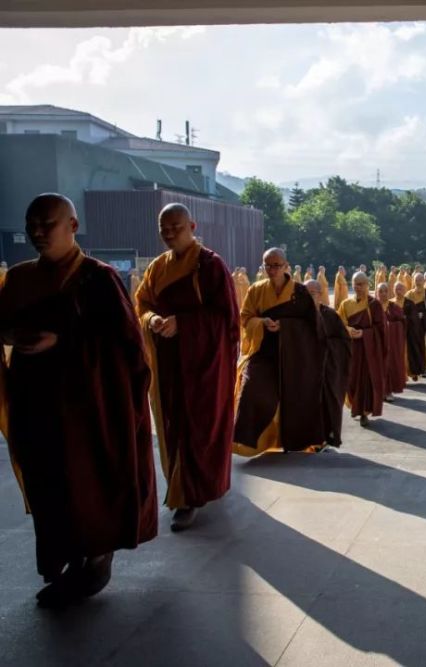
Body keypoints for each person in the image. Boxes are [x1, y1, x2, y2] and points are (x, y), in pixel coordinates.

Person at [0, 194, 157, 606]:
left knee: (85, 480)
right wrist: (13, 336)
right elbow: (3, 326)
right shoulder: (18, 279)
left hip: (89, 405)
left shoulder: (97, 278)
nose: (37, 232)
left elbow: (125, 343)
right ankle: (63, 555)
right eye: (32, 224)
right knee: (46, 479)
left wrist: (64, 338)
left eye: (47, 224)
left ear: (72, 226)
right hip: (34, 398)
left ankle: (95, 559)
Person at [135, 203, 240, 531]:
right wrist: (151, 318)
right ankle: (183, 490)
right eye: (163, 228)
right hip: (169, 362)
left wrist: (184, 324)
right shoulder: (157, 267)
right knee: (172, 423)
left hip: (205, 365)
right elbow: (143, 302)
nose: (169, 234)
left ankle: (193, 495)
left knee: (201, 427)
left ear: (192, 226)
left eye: (175, 227)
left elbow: (226, 318)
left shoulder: (209, 265)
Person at [233, 248, 327, 456]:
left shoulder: (299, 293)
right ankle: (250, 443)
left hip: (293, 354)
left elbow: (312, 325)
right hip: (263, 352)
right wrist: (261, 322)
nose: (271, 269)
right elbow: (246, 317)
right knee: (252, 390)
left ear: (286, 266)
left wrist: (284, 326)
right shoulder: (256, 290)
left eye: (276, 265)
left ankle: (297, 441)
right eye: (267, 265)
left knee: (296, 397)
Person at [305, 279, 351, 449]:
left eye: (312, 294)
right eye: (306, 294)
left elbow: (344, 341)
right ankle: (310, 439)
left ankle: (327, 437)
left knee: (328, 402)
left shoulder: (330, 315)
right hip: (307, 369)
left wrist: (325, 346)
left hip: (328, 368)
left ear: (320, 294)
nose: (309, 298)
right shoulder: (299, 317)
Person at [338, 272, 386, 427]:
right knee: (351, 380)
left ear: (368, 285)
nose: (358, 287)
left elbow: (381, 329)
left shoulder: (374, 304)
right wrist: (348, 330)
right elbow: (338, 324)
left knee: (365, 380)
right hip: (351, 348)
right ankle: (355, 405)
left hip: (368, 350)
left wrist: (365, 333)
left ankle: (364, 412)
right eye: (355, 283)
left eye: (361, 284)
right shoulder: (345, 304)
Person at [378, 281, 407, 401]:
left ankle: (388, 391)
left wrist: (391, 326)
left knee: (389, 366)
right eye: (381, 291)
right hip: (377, 342)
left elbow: (403, 322)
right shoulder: (372, 307)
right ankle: (378, 392)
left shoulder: (394, 307)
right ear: (376, 293)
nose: (383, 294)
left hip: (391, 343)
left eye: (385, 291)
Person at [404, 273, 426, 379]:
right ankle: (413, 371)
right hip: (411, 327)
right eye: (416, 280)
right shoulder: (409, 295)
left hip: (423, 326)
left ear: (423, 281)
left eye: (420, 280)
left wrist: (424, 314)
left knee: (422, 347)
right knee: (412, 348)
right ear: (413, 281)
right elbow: (404, 310)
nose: (418, 282)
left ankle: (423, 369)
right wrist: (414, 315)